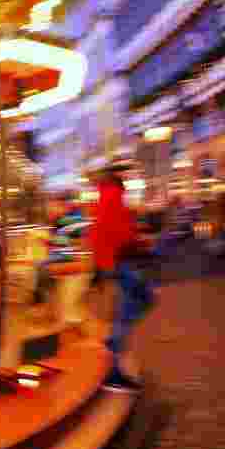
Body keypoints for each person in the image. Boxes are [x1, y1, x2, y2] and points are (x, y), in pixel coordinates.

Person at [90, 164, 154, 394]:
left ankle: (114, 347)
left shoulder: (106, 197)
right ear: (116, 180)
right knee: (136, 302)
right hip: (118, 262)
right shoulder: (112, 196)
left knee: (136, 302)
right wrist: (138, 243)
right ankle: (113, 368)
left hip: (113, 262)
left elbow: (104, 231)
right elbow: (119, 231)